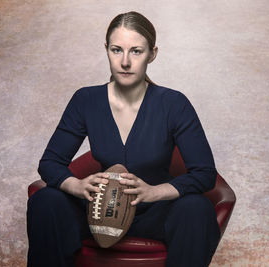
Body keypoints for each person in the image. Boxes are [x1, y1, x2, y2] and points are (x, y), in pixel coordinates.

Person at [27, 11, 220, 267]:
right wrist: (78, 186)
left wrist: (154, 192)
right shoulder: (86, 100)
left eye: (136, 51)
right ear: (106, 50)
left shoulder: (174, 104)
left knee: (197, 209)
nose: (125, 62)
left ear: (153, 53)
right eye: (117, 50)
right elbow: (50, 163)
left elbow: (204, 173)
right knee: (46, 201)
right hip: (97, 210)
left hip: (154, 213)